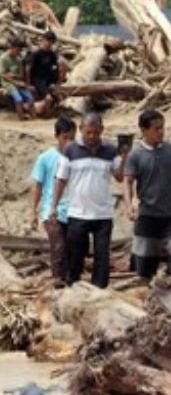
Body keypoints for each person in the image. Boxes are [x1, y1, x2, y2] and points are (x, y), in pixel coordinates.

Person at [50, 113, 124, 288]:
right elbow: (61, 180)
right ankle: (73, 285)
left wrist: (124, 156)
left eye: (96, 133)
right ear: (81, 129)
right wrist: (53, 206)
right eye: (88, 132)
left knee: (102, 254)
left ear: (102, 130)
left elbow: (120, 177)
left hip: (102, 214)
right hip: (77, 212)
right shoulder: (70, 151)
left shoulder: (110, 151)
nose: (92, 137)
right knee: (75, 253)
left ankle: (99, 289)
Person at [123, 110, 171, 282]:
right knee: (145, 267)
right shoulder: (136, 155)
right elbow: (127, 181)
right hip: (148, 216)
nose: (161, 132)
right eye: (156, 128)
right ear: (144, 130)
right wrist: (129, 205)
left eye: (162, 128)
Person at [29, 117, 74, 282]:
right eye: (65, 138)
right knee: (58, 246)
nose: (69, 142)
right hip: (51, 211)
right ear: (57, 136)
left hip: (74, 211)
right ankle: (58, 282)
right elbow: (38, 186)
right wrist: (33, 212)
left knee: (72, 249)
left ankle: (70, 282)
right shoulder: (45, 158)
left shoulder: (77, 157)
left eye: (72, 138)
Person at [26, 31, 65, 118]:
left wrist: (58, 81)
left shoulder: (52, 54)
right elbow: (28, 69)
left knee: (59, 95)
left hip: (47, 79)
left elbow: (56, 67)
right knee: (48, 98)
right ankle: (47, 116)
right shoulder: (36, 54)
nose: (49, 43)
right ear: (43, 40)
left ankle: (47, 111)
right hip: (38, 80)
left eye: (51, 42)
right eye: (47, 41)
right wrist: (28, 84)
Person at [2, 39, 33, 120]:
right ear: (12, 48)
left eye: (20, 50)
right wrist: (15, 81)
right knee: (19, 99)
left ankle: (34, 118)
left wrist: (13, 75)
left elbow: (21, 75)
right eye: (18, 50)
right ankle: (21, 119)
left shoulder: (18, 59)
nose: (19, 52)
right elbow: (3, 75)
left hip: (17, 82)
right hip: (8, 84)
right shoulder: (3, 58)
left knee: (30, 98)